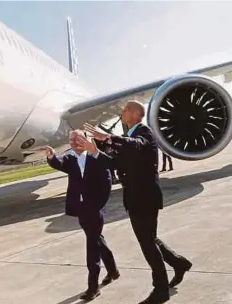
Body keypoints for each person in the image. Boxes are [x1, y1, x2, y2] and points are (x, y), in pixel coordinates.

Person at [77, 101, 192, 304]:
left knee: (147, 242)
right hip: (136, 198)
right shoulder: (130, 137)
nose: (121, 113)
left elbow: (137, 145)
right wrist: (94, 149)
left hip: (145, 197)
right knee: (150, 239)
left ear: (136, 114)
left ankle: (161, 290)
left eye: (125, 110)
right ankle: (178, 263)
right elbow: (114, 163)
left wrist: (108, 137)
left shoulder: (144, 133)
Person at [45, 130, 120, 301]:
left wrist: (98, 205)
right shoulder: (70, 158)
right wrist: (51, 157)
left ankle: (93, 287)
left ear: (86, 139)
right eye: (70, 139)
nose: (73, 142)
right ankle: (113, 270)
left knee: (92, 245)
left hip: (95, 208)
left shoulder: (96, 157)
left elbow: (107, 183)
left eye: (76, 138)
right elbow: (59, 163)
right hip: (81, 208)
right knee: (97, 239)